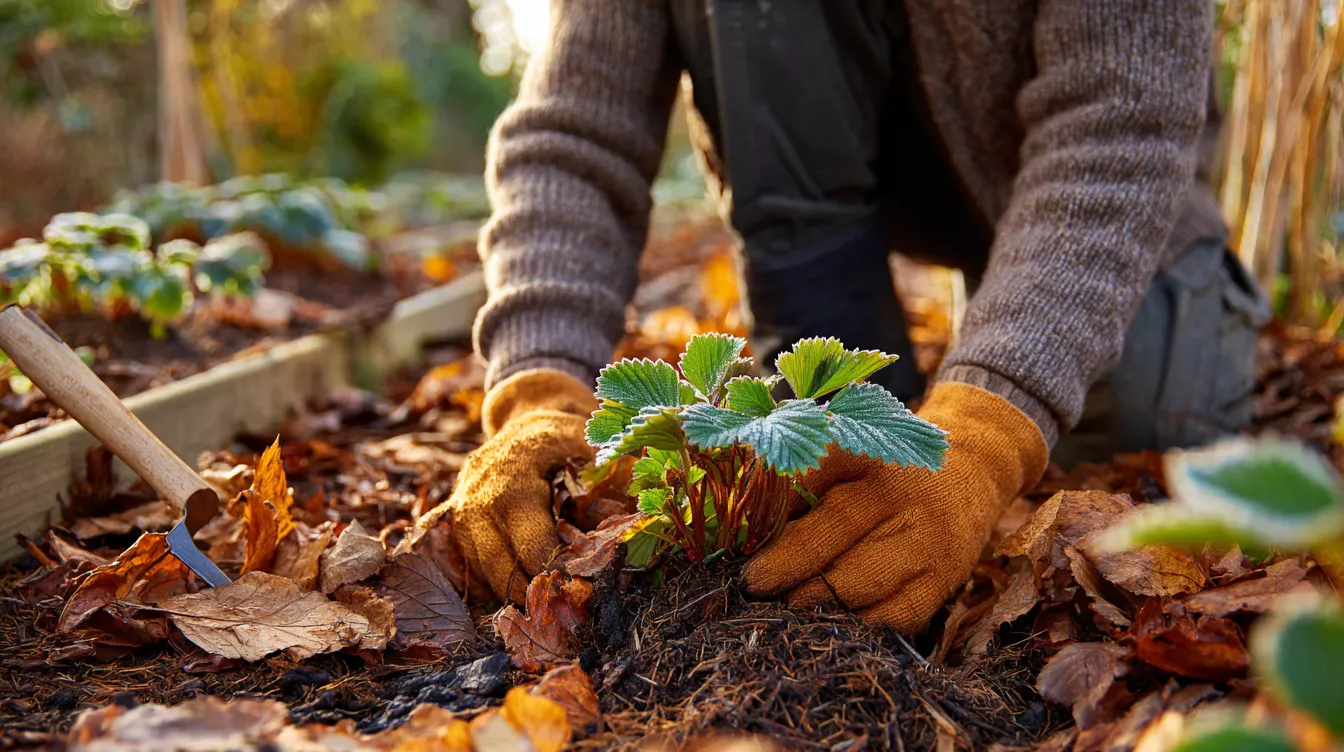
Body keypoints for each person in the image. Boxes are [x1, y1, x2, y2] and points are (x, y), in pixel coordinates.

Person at [445, 1, 1271, 634]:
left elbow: (1120, 119)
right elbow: (575, 137)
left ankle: (984, 367)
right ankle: (847, 410)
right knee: (822, 481)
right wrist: (538, 384)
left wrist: (987, 430)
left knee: (1134, 451)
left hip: (1114, 195)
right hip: (840, 193)